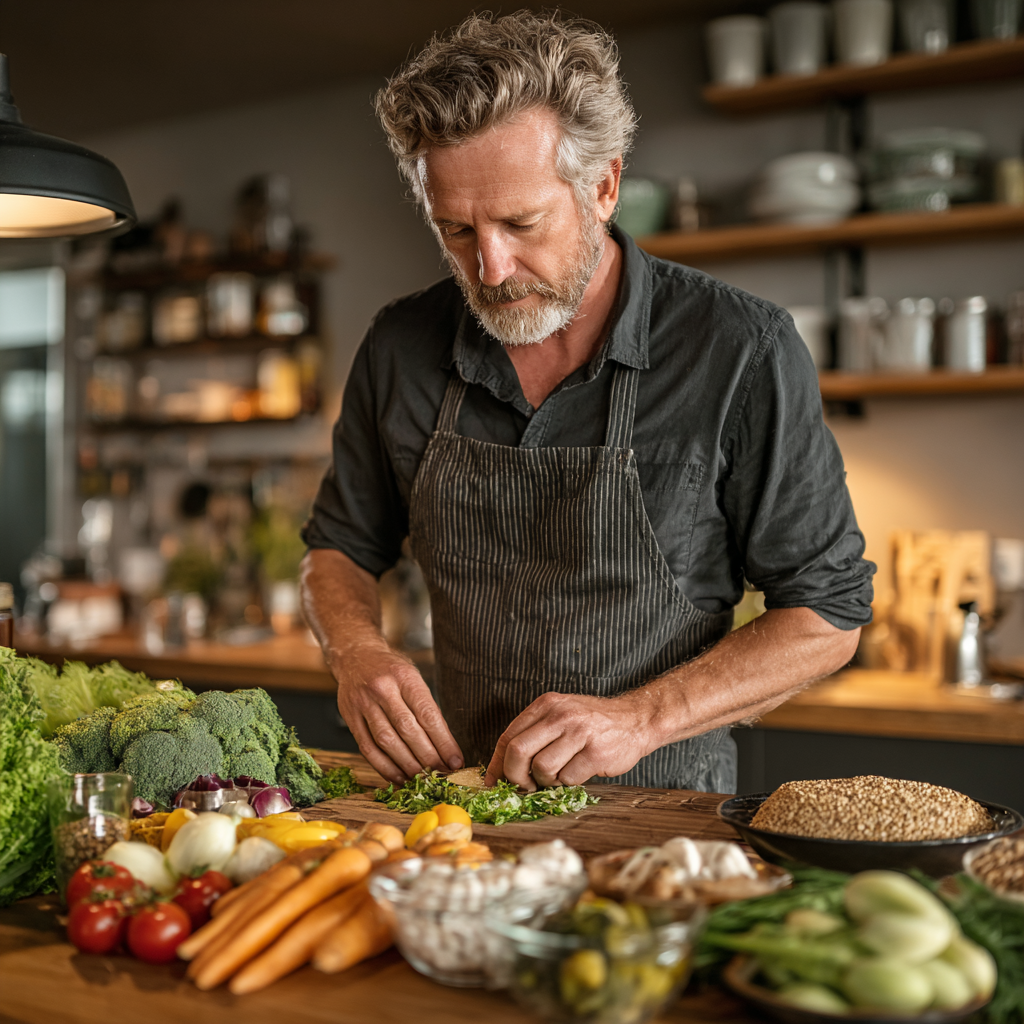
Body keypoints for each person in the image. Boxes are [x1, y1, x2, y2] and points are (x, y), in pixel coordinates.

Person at [300, 11, 874, 794]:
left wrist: (641, 718)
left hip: (663, 826)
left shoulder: (741, 348)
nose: (492, 269)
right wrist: (355, 651)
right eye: (456, 230)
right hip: (456, 817)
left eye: (520, 222)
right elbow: (338, 547)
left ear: (604, 186)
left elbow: (827, 616)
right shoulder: (401, 345)